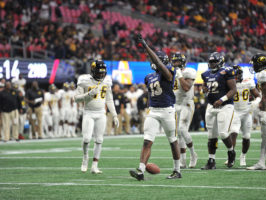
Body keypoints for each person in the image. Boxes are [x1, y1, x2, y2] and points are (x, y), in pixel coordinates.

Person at [129, 34, 181, 180]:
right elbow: (151, 92)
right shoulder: (149, 77)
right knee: (147, 140)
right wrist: (148, 103)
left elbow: (158, 63)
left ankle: (177, 170)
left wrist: (146, 46)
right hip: (153, 111)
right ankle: (140, 171)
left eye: (154, 60)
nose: (152, 61)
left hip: (168, 111)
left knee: (173, 140)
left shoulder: (169, 71)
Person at [74, 60, 119, 174]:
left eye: (103, 73)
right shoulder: (84, 81)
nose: (101, 75)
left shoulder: (107, 81)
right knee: (86, 139)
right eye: (99, 73)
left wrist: (114, 115)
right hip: (88, 112)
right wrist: (88, 95)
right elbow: (76, 98)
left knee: (99, 140)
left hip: (101, 113)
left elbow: (109, 99)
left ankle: (94, 166)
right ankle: (85, 158)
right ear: (93, 71)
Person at [201, 52, 237, 170]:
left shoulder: (226, 71)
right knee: (211, 135)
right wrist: (204, 89)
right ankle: (211, 160)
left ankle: (231, 152)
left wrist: (222, 100)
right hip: (211, 106)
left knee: (223, 133)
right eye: (210, 62)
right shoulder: (205, 74)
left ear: (220, 61)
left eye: (214, 61)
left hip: (225, 106)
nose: (212, 64)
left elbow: (233, 90)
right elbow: (206, 87)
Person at [227, 65, 261, 166]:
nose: (234, 78)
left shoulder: (248, 82)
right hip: (235, 112)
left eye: (236, 75)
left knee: (246, 137)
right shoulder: (228, 83)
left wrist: (256, 102)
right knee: (233, 133)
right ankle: (231, 157)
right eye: (233, 76)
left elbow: (258, 95)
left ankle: (243, 156)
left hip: (246, 112)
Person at [172, 52, 198, 168]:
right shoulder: (172, 72)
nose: (175, 63)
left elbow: (186, 88)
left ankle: (193, 154)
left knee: (183, 129)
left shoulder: (189, 72)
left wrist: (179, 75)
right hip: (176, 104)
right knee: (179, 134)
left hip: (187, 103)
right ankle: (183, 160)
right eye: (174, 61)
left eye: (177, 61)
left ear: (182, 62)